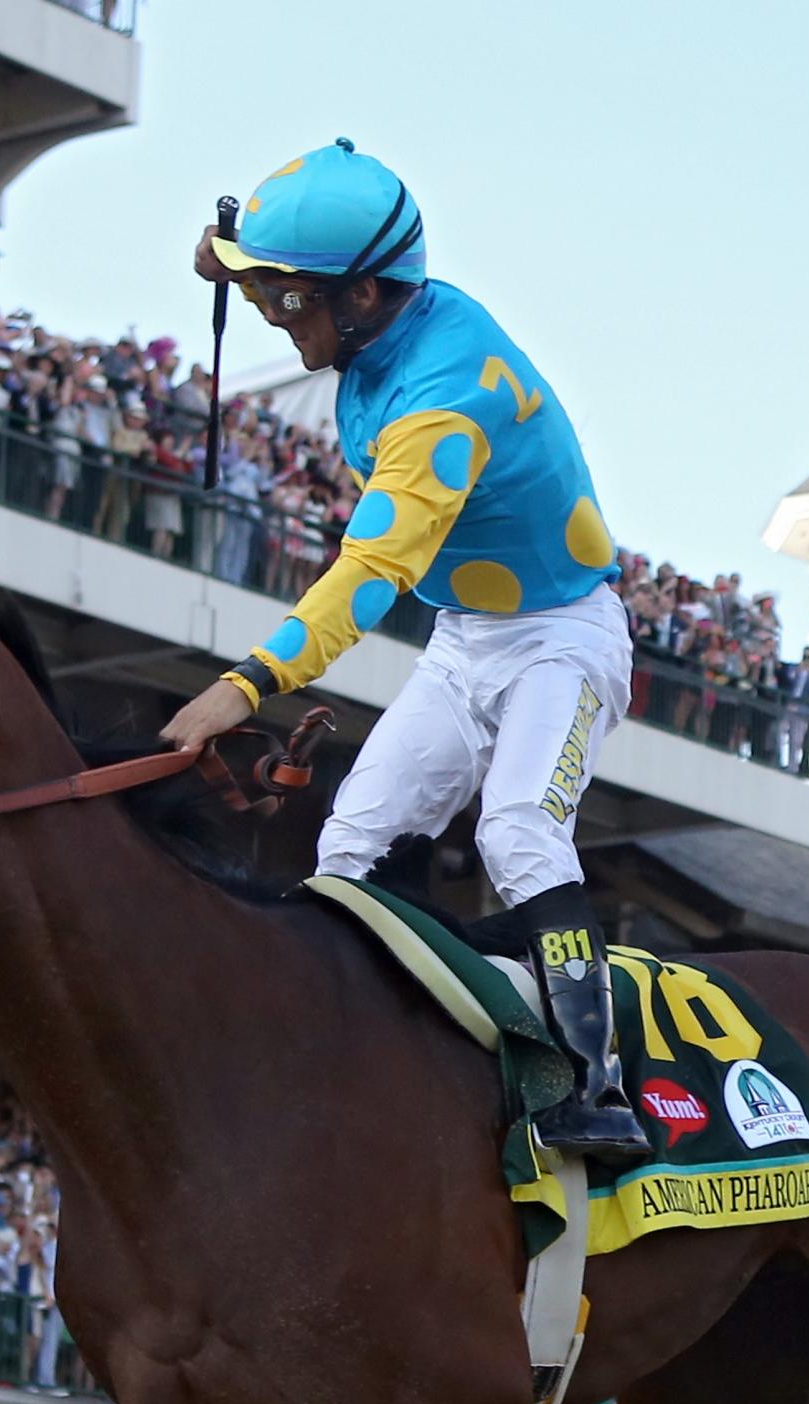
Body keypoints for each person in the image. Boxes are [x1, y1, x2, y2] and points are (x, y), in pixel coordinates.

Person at [168, 140, 648, 1162]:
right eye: (268, 297)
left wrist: (243, 683)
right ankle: (378, 1058)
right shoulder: (383, 306)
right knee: (347, 852)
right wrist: (233, 259)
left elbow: (368, 574)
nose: (271, 315)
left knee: (517, 828)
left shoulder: (442, 404)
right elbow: (258, 263)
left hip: (563, 640)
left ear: (368, 294)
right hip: (466, 637)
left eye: (288, 302)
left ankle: (596, 1085)